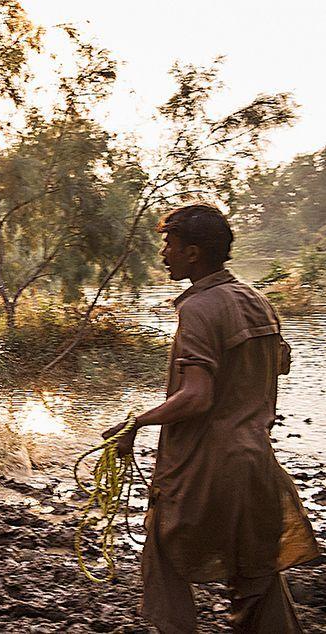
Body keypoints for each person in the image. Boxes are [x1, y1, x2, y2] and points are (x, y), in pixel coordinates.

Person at [102, 203, 320, 633]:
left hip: (206, 466)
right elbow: (282, 364)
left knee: (163, 554)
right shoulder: (257, 301)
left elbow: (197, 398)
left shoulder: (199, 308)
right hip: (256, 463)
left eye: (170, 244)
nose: (164, 253)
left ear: (194, 253)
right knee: (256, 575)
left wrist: (136, 423)